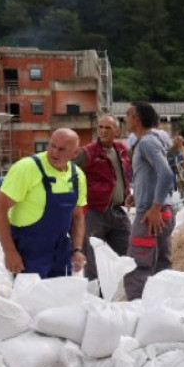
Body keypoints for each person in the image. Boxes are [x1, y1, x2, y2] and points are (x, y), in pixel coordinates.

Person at [0, 128, 87, 278]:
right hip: (29, 252)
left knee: (61, 298)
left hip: (61, 253)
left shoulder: (78, 176)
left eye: (62, 149)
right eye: (52, 146)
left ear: (75, 153)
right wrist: (9, 252)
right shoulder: (26, 168)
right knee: (30, 299)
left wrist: (77, 250)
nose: (55, 152)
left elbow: (77, 217)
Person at [123, 102, 177, 301]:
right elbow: (153, 174)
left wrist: (153, 208)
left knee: (137, 268)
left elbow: (165, 174)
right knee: (161, 267)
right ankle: (162, 310)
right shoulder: (152, 141)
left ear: (137, 120)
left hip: (150, 215)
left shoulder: (146, 142)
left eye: (128, 114)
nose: (125, 118)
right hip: (160, 210)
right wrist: (138, 193)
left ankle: (137, 314)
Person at [74, 115, 132, 283]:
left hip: (117, 211)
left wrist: (172, 149)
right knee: (93, 262)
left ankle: (122, 295)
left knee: (128, 255)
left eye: (108, 128)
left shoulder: (121, 150)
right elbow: (67, 167)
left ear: (117, 131)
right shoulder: (88, 152)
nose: (103, 131)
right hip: (94, 213)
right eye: (100, 127)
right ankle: (95, 301)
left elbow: (144, 156)